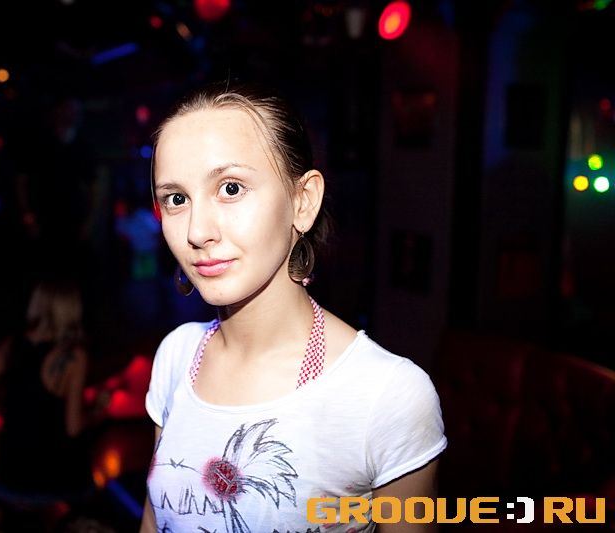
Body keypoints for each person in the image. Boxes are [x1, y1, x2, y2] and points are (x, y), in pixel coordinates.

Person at [139, 81, 447, 532]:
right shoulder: (177, 357)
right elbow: (154, 520)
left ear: (303, 201)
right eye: (177, 199)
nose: (197, 231)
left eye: (230, 188)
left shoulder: (386, 395)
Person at [0, 277, 93, 532]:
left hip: (14, 473)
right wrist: (99, 410)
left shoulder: (12, 346)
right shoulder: (73, 356)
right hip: (58, 479)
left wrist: (11, 413)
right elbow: (73, 427)